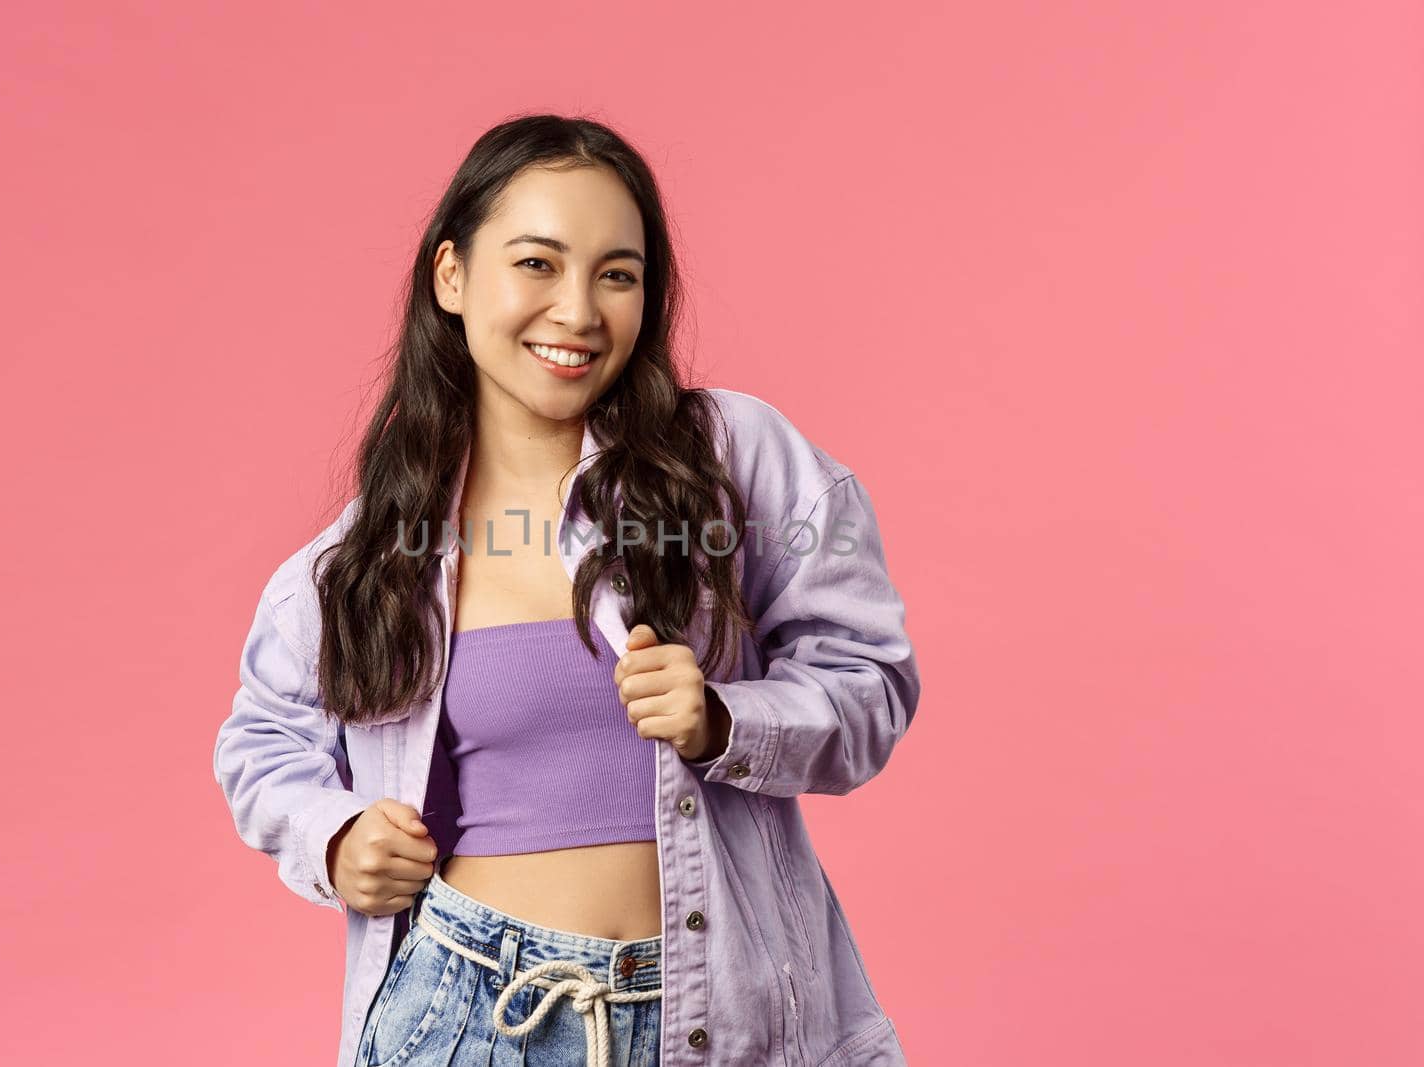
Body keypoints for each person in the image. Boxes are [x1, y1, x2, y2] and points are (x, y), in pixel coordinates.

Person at [213, 113, 922, 1067]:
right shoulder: (371, 554)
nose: (580, 312)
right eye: (538, 264)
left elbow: (870, 675)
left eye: (617, 274)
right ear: (451, 276)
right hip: (469, 1012)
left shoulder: (735, 465)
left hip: (717, 1014)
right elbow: (261, 739)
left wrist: (725, 719)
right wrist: (333, 837)